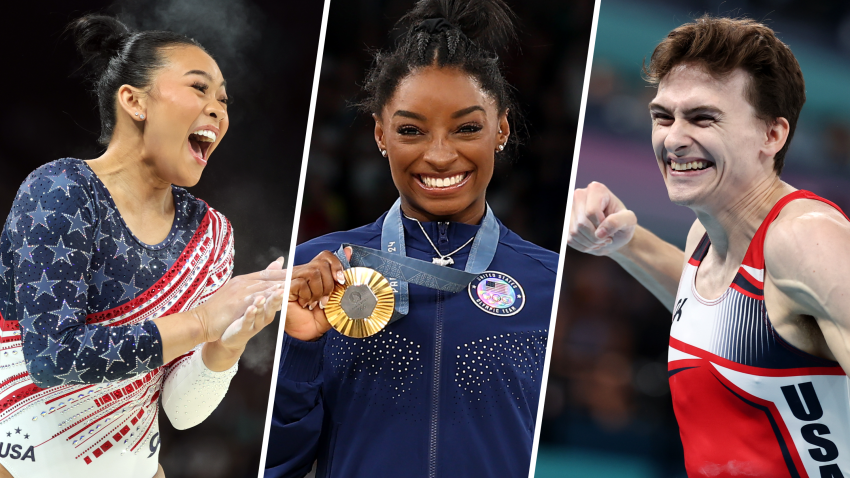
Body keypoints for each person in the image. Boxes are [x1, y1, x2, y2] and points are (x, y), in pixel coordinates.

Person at [265, 0, 559, 476]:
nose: (440, 155)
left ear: (500, 129)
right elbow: (279, 465)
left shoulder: (548, 282)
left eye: (466, 128)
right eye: (410, 130)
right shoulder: (317, 268)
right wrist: (299, 348)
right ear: (380, 134)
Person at [0, 16, 285, 478]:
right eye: (199, 88)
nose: (217, 109)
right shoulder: (62, 190)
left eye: (223, 100)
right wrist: (201, 322)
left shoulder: (210, 234)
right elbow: (54, 357)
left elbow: (180, 410)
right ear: (134, 101)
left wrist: (223, 350)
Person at [568, 15, 850, 477]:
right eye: (663, 116)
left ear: (771, 135)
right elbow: (713, 313)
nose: (674, 139)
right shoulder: (706, 237)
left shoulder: (806, 239)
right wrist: (620, 239)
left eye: (703, 118)